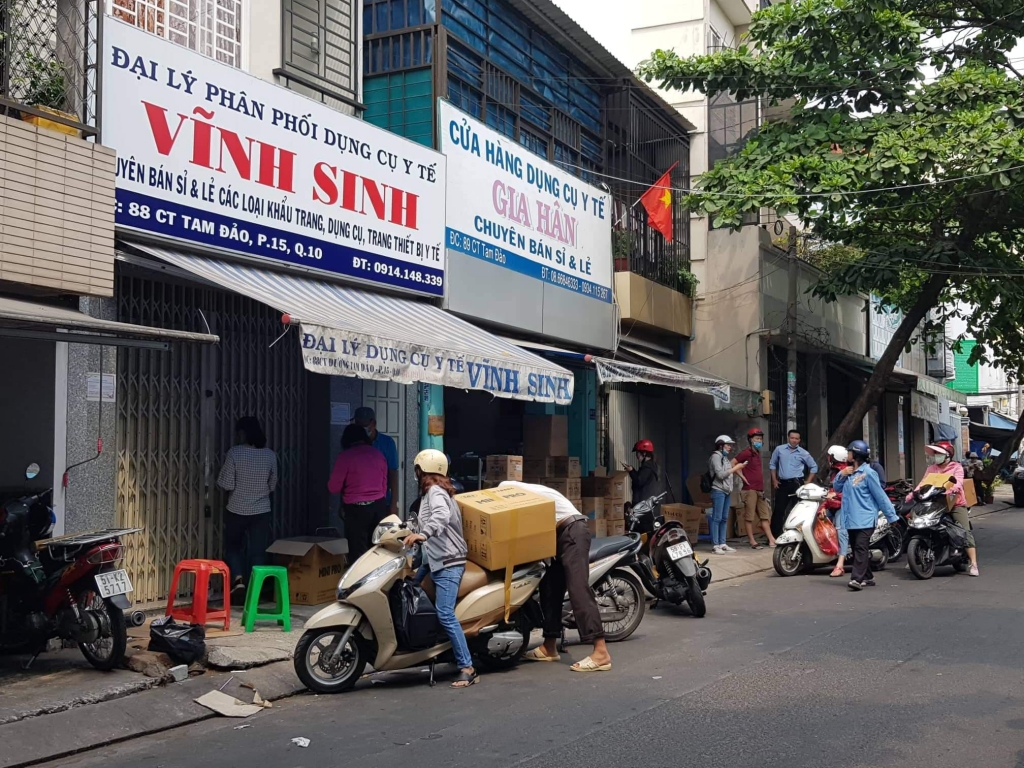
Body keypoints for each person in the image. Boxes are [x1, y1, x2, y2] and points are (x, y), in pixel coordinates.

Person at [510, 480, 612, 673]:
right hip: (556, 536)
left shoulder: (510, 491)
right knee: (550, 588)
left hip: (572, 532)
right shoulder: (522, 491)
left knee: (577, 588)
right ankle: (549, 646)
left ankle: (601, 652)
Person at [401, 450, 477, 688]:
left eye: (417, 469)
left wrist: (423, 534)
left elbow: (441, 517)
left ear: (422, 470)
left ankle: (467, 667)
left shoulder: (435, 492)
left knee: (445, 613)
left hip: (448, 563)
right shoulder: (431, 494)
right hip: (433, 561)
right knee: (409, 590)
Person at [217, 416, 278, 596]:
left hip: (236, 509)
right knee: (257, 551)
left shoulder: (234, 453)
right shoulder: (269, 455)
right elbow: (273, 484)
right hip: (261, 511)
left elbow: (227, 484)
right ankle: (255, 588)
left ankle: (238, 580)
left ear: (242, 433)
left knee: (233, 547)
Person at [906, 441, 979, 576]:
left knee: (965, 531)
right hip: (935, 503)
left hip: (955, 503)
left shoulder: (956, 467)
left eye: (939, 454)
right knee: (919, 524)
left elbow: (957, 482)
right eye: (935, 454)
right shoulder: (931, 468)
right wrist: (912, 494)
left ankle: (973, 563)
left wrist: (950, 490)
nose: (936, 456)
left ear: (947, 455)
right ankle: (917, 553)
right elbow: (923, 483)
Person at [833, 440, 899, 591]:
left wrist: (892, 516)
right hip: (850, 519)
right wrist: (841, 474)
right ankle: (868, 577)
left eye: (849, 452)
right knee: (856, 548)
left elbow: (880, 496)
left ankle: (856, 579)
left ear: (855, 455)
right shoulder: (848, 473)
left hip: (866, 519)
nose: (847, 454)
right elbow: (836, 488)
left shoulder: (868, 473)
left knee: (861, 548)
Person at [328, 423, 389, 563]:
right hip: (378, 507)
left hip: (356, 511)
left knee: (358, 554)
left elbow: (333, 488)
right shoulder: (378, 454)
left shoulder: (345, 457)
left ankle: (359, 584)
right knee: (377, 549)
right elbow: (384, 483)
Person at [769, 430, 818, 536]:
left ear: (799, 440)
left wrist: (808, 481)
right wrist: (774, 480)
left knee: (797, 510)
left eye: (797, 438)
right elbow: (772, 464)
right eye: (792, 438)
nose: (794, 440)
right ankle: (774, 536)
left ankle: (797, 535)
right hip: (782, 483)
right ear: (788, 438)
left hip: (797, 484)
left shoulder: (803, 453)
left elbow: (814, 467)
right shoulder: (779, 449)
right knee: (779, 510)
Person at [353, 407, 400, 517]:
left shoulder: (387, 443)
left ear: (373, 423)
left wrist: (394, 504)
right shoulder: (352, 443)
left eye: (364, 426)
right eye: (358, 425)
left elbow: (393, 473)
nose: (361, 429)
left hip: (382, 502)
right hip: (357, 502)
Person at [733, 428, 776, 549]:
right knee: (749, 517)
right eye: (757, 438)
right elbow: (733, 463)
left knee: (764, 516)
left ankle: (771, 539)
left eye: (760, 439)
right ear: (751, 440)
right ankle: (752, 541)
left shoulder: (757, 453)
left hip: (759, 489)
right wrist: (742, 477)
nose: (759, 441)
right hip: (750, 489)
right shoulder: (746, 453)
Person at [709, 436, 746, 554]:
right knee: (717, 518)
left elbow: (729, 472)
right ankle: (716, 545)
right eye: (728, 444)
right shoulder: (715, 457)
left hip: (726, 491)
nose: (730, 447)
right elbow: (720, 475)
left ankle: (723, 543)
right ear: (720, 445)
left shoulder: (724, 458)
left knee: (724, 518)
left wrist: (738, 468)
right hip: (718, 490)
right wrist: (736, 467)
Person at [824, 445, 851, 578]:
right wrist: (823, 505)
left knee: (841, 532)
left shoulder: (847, 471)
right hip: (832, 506)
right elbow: (830, 490)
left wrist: (835, 496)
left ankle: (840, 565)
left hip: (842, 507)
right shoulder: (833, 471)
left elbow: (848, 491)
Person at [624, 439, 664, 506]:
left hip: (643, 504)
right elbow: (642, 478)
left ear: (644, 453)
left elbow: (639, 481)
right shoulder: (652, 466)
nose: (636, 456)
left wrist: (631, 471)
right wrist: (632, 470)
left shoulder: (647, 467)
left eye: (637, 453)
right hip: (646, 503)